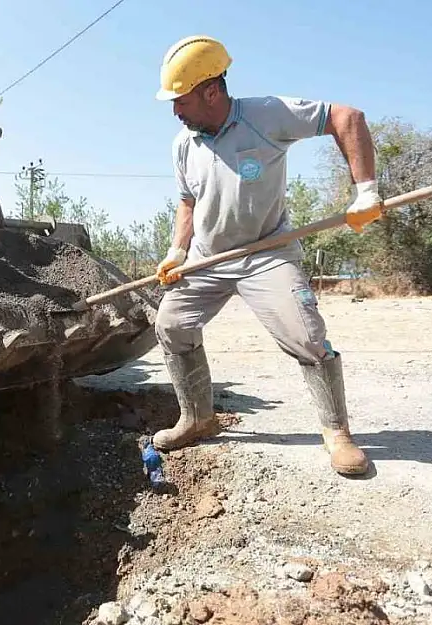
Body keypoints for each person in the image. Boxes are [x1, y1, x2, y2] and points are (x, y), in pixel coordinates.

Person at [150, 35, 385, 476]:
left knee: (306, 337)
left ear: (211, 91)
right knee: (171, 325)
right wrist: (177, 250)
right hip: (206, 258)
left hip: (266, 252)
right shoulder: (183, 143)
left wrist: (366, 191)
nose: (175, 111)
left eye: (180, 100)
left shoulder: (265, 114)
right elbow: (187, 201)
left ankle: (337, 433)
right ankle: (198, 418)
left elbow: (346, 117)